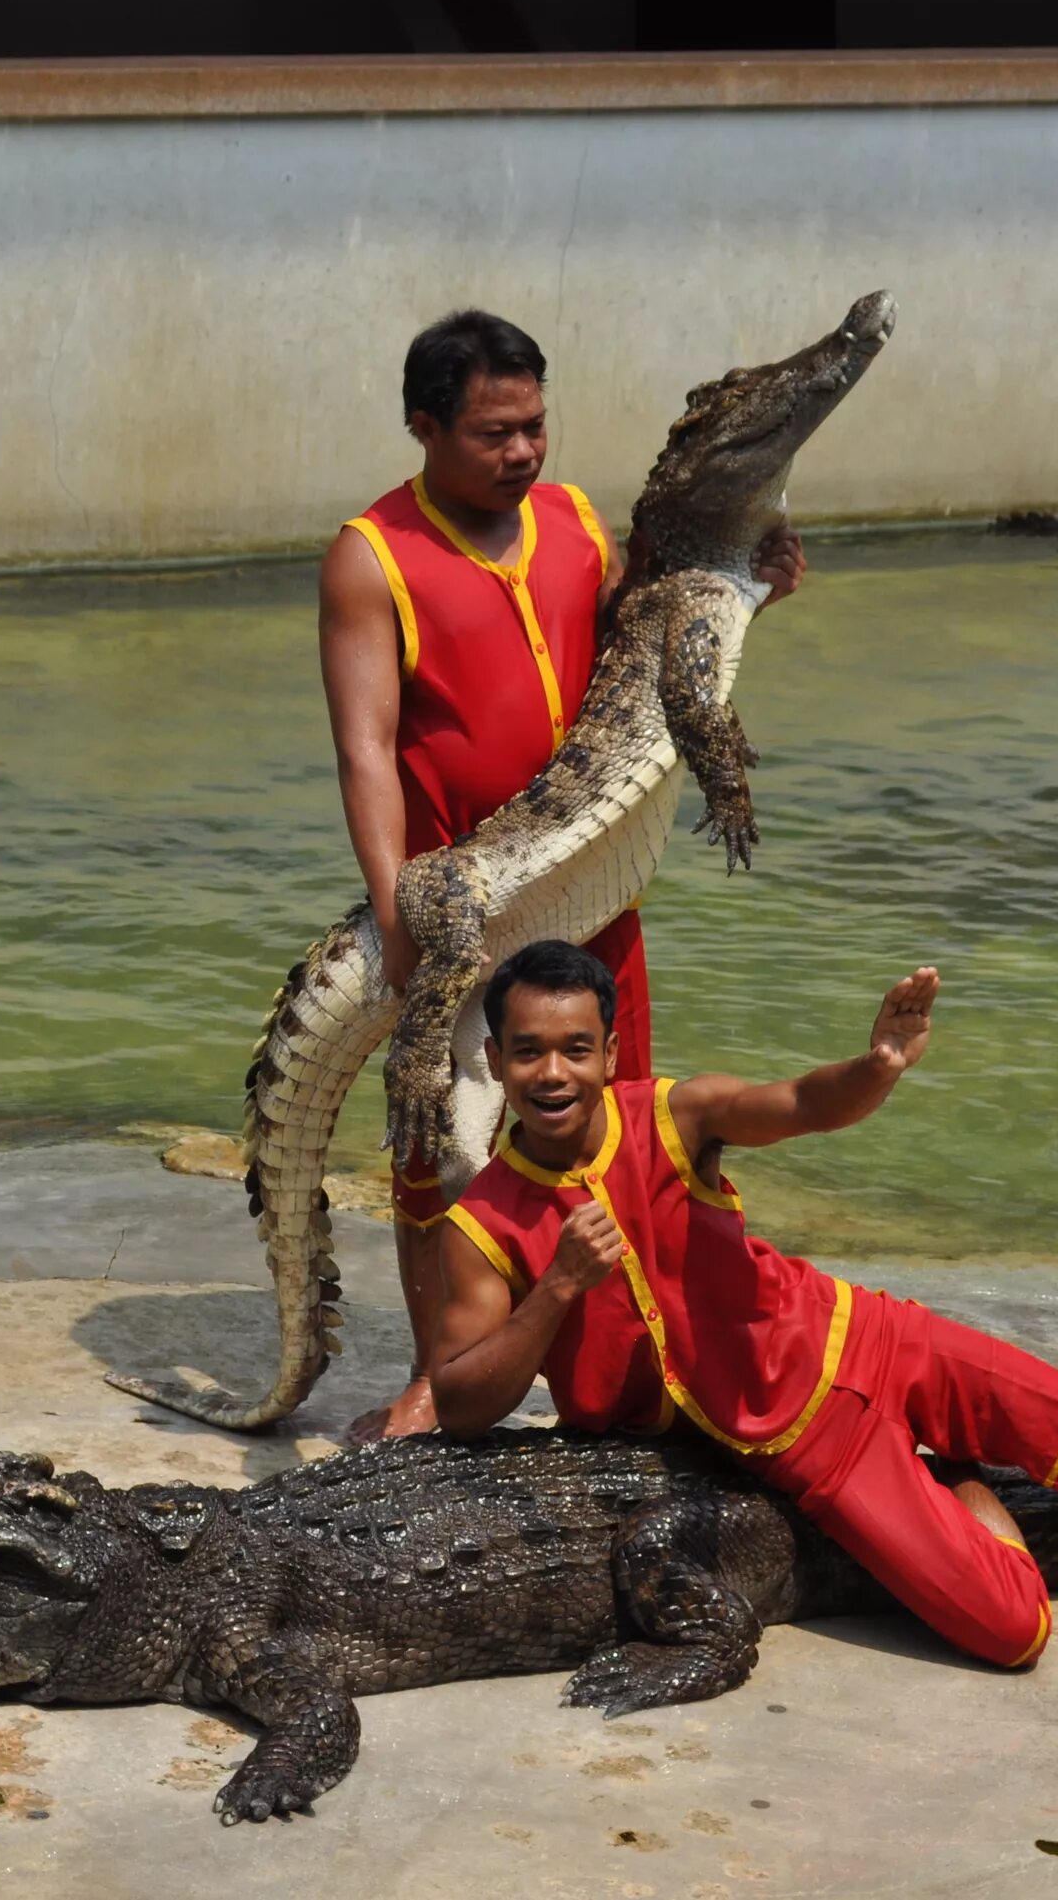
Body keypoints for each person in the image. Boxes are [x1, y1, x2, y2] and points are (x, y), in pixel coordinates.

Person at [423, 941, 1058, 1665]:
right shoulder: (484, 1221)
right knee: (1013, 1630)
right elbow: (465, 1402)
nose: (552, 1071)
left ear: (610, 1050)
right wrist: (559, 1286)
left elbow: (801, 1103)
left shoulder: (677, 1113)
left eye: (575, 1047)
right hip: (802, 1445)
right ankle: (955, 1470)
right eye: (528, 1051)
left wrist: (877, 1067)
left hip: (865, 1333)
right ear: (496, 1061)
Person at [318, 310, 806, 1440]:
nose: (525, 452)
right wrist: (396, 905)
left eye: (535, 425)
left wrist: (754, 587)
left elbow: (652, 642)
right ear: (425, 426)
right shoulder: (371, 553)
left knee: (613, 1133)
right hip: (471, 905)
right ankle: (441, 1377)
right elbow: (364, 747)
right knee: (438, 1147)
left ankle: (627, 1368)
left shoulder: (578, 519)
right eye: (495, 433)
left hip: (591, 892)